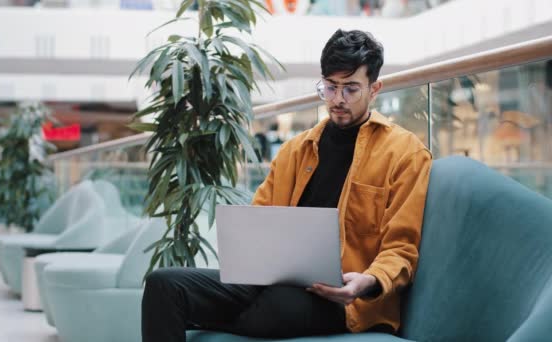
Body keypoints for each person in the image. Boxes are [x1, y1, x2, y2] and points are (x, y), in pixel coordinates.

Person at [142, 29, 432, 341]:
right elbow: (259, 220)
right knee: (163, 285)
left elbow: (401, 249)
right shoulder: (297, 149)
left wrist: (368, 280)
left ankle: (211, 319)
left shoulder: (405, 153)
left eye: (351, 89)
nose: (337, 100)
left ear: (374, 89)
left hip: (345, 300)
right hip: (270, 286)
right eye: (330, 87)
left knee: (278, 305)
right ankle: (222, 317)